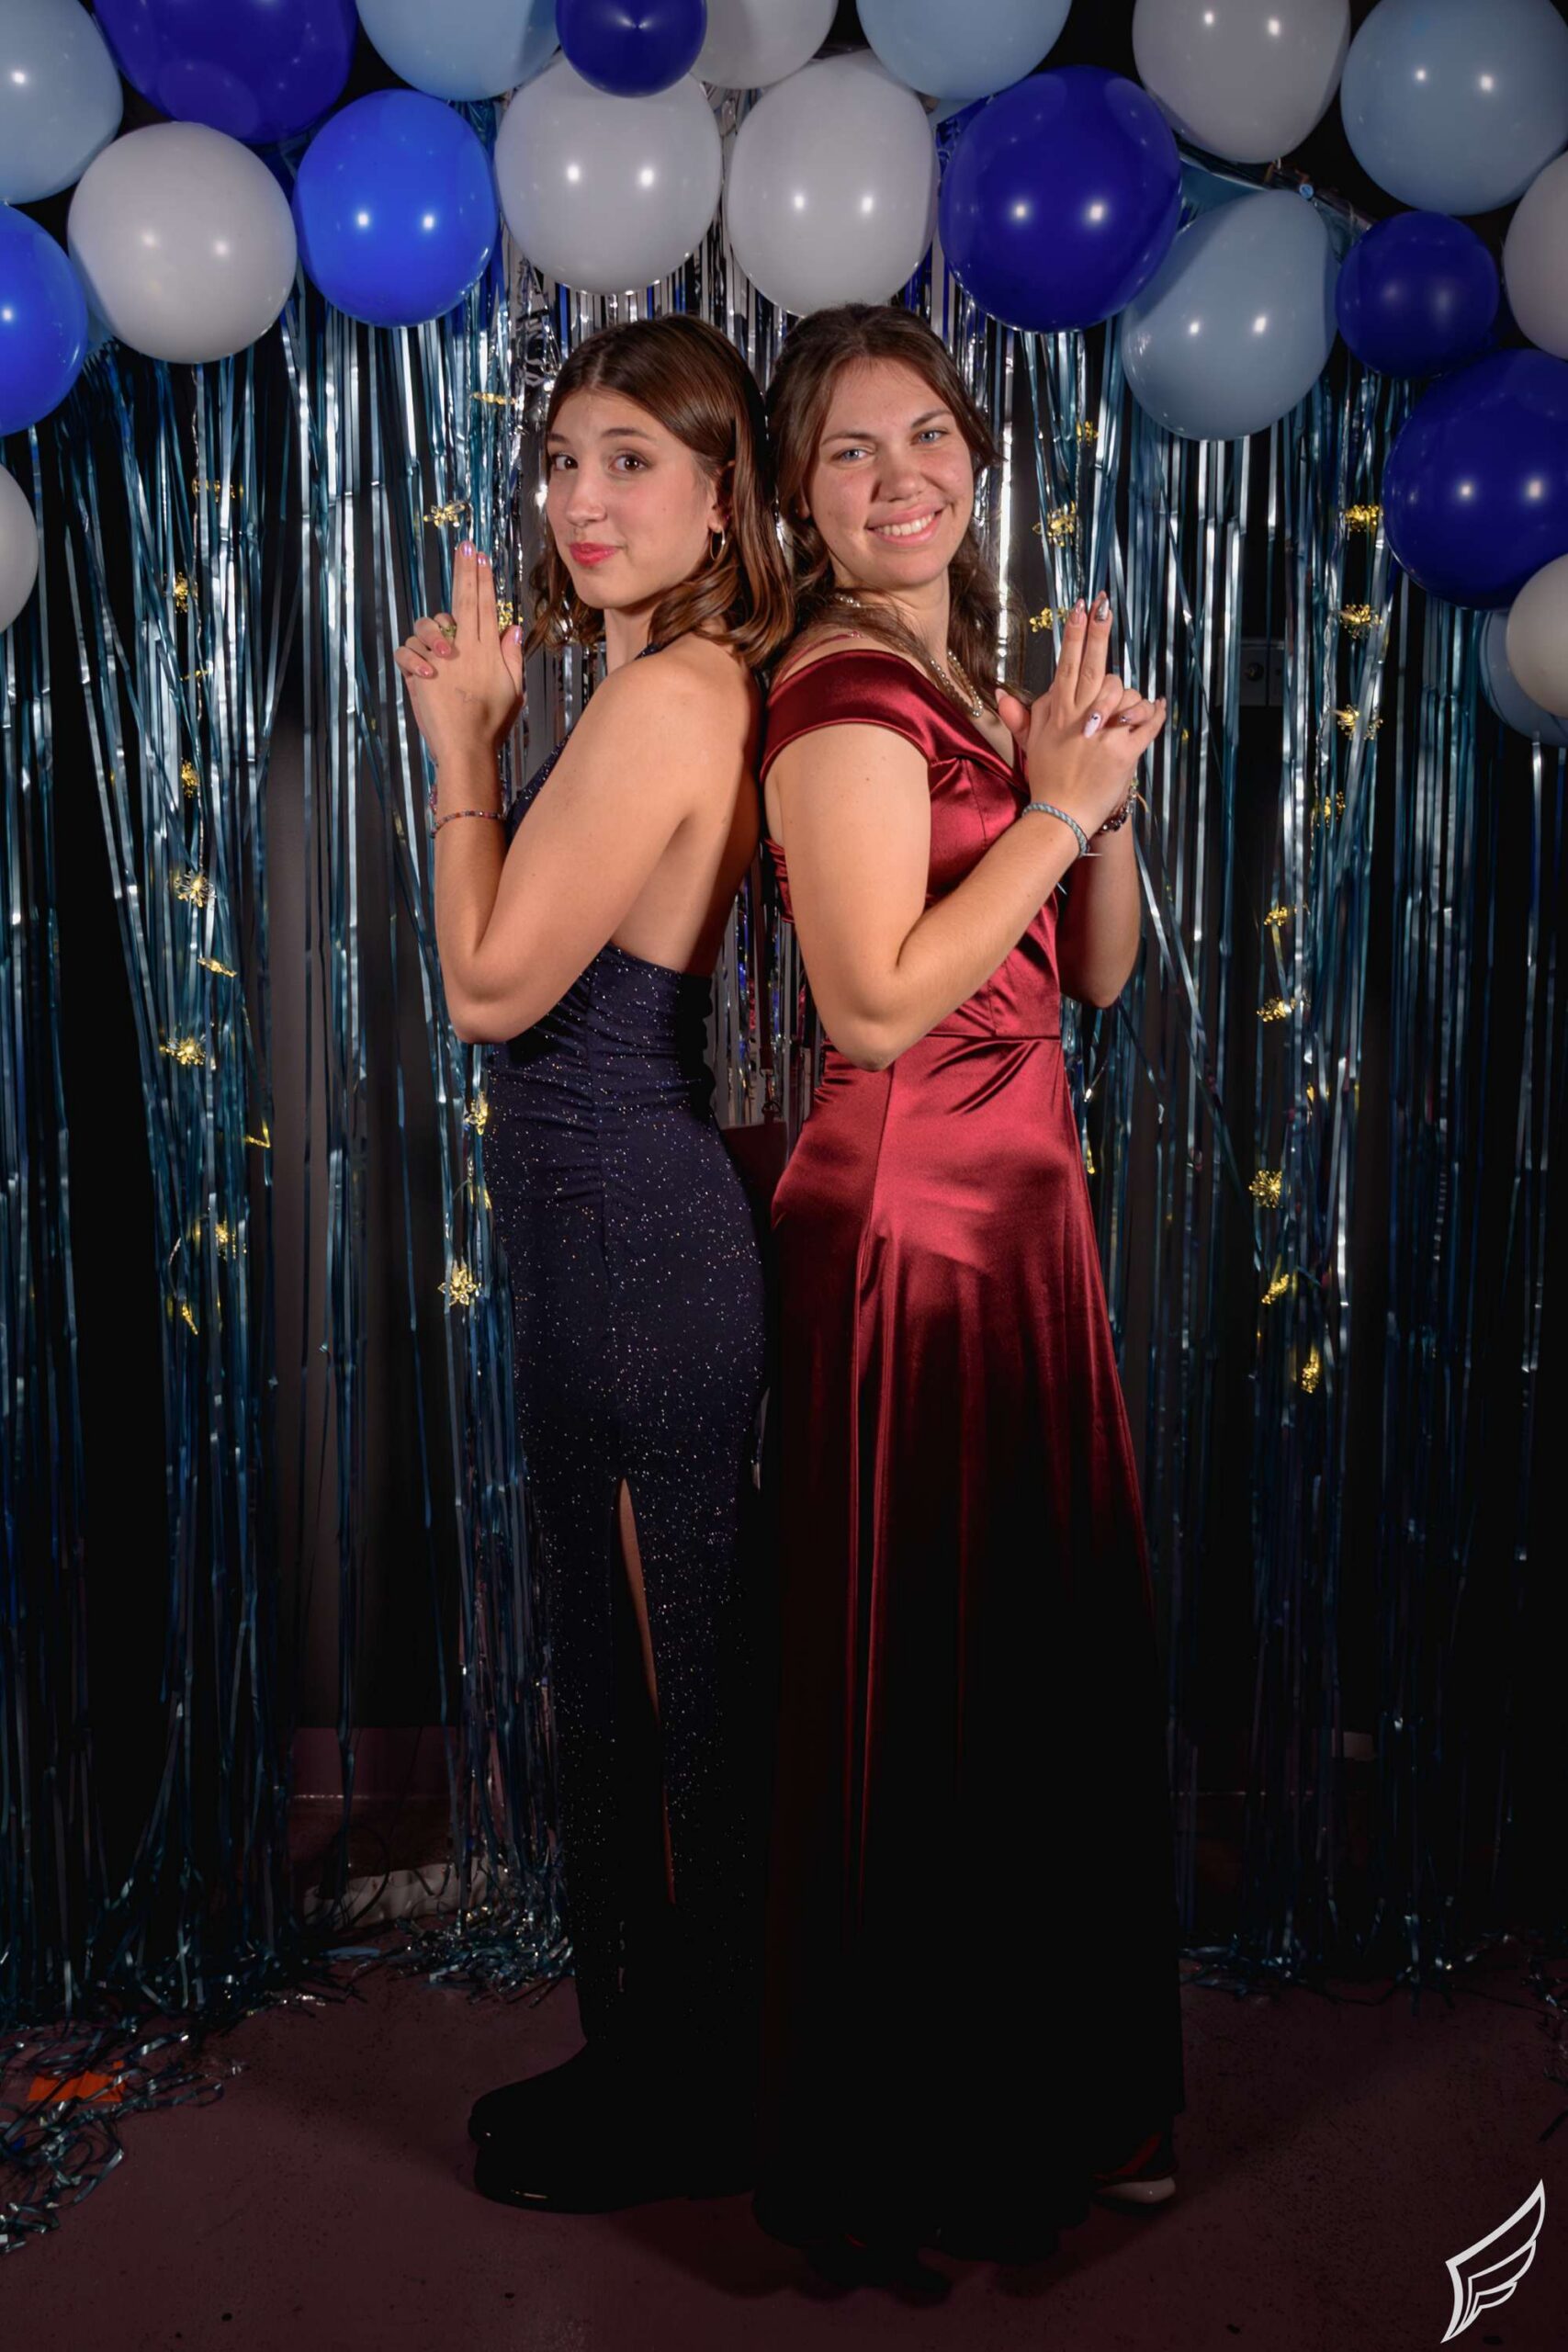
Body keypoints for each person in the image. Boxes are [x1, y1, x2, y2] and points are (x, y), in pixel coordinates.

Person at [750, 301, 1187, 2268]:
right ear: (798, 497)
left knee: (1032, 1656)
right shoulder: (841, 693)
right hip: (913, 1224)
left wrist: (1091, 793)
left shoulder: (970, 682)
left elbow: (1090, 971)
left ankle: (1060, 2093)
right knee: (933, 1660)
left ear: (975, 459)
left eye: (926, 433)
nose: (899, 474)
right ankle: (922, 2138)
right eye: (848, 449)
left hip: (1024, 1214)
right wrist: (1056, 810)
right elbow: (868, 1006)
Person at [394, 313, 794, 2212]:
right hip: (597, 1235)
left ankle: (700, 2092)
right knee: (627, 1689)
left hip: (636, 1243)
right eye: (563, 459)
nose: (579, 497)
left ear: (722, 500)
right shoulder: (653, 682)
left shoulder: (670, 695)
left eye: (631, 459)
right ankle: (644, 2049)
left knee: (669, 1692)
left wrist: (461, 752)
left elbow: (489, 984)